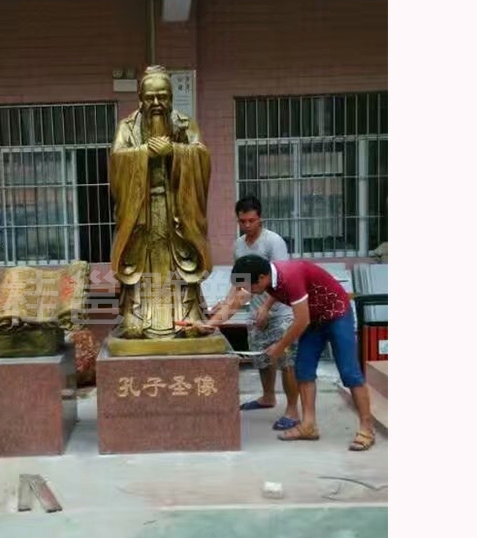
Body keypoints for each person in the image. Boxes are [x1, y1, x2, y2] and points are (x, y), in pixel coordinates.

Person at [198, 254, 375, 451]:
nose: (249, 292)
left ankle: (367, 428)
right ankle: (308, 426)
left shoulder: (291, 276)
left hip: (337, 315)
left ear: (262, 278)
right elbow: (236, 302)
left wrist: (279, 346)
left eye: (250, 287)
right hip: (314, 320)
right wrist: (209, 325)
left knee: (350, 373)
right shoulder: (266, 276)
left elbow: (301, 321)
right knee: (304, 370)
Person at [109, 65, 213, 339]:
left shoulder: (185, 124)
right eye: (150, 97)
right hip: (140, 211)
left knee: (184, 261)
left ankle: (187, 315)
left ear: (171, 97)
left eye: (163, 96)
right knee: (139, 262)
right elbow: (116, 162)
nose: (156, 103)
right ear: (140, 98)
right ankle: (136, 316)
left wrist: (175, 151)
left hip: (177, 210)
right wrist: (144, 153)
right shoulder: (127, 127)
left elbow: (202, 157)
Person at [210, 195, 300, 430]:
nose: (247, 225)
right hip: (254, 308)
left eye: (252, 220)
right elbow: (239, 281)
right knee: (261, 357)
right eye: (243, 221)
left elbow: (283, 278)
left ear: (260, 218)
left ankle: (292, 410)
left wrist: (267, 307)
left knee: (286, 359)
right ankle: (268, 397)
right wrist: (226, 304)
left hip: (281, 310)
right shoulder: (238, 245)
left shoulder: (273, 242)